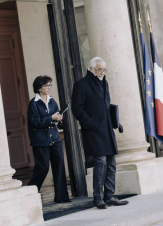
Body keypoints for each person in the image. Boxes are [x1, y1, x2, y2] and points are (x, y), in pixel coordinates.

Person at [71, 57, 129, 209]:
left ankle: (109, 196)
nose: (102, 72)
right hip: (94, 131)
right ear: (90, 69)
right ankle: (98, 198)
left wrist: (116, 122)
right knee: (100, 162)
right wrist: (91, 123)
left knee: (111, 163)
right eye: (98, 69)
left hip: (107, 129)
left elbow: (105, 105)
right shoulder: (81, 84)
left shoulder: (105, 82)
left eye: (104, 70)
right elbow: (77, 109)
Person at [27, 76, 71, 203]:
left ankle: (62, 197)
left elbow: (54, 118)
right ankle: (29, 194)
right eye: (46, 85)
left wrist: (58, 118)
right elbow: (34, 122)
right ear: (39, 87)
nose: (49, 88)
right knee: (43, 168)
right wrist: (51, 118)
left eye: (50, 85)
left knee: (59, 166)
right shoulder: (33, 104)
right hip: (41, 141)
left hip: (55, 139)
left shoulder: (52, 101)